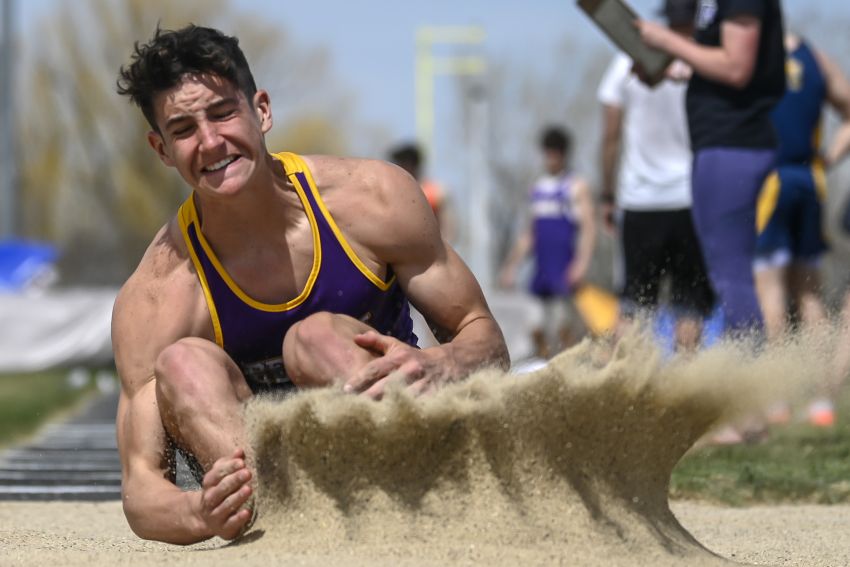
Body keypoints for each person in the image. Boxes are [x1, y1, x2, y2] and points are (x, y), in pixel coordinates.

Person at [112, 24, 509, 545]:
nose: (209, 142)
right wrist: (197, 515)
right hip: (279, 485)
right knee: (182, 363)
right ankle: (285, 529)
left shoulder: (372, 199)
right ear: (161, 149)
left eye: (222, 113)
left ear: (262, 111)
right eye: (183, 129)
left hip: (403, 454)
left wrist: (440, 363)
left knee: (314, 339)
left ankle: (406, 504)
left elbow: (487, 341)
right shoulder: (157, 293)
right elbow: (141, 487)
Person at [637, 0, 786, 336]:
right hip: (720, 146)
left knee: (729, 272)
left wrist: (666, 41)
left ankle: (756, 378)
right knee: (726, 271)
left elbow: (736, 67)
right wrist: (671, 67)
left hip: (733, 145)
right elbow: (720, 63)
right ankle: (753, 370)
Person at [599, 0, 715, 352]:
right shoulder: (706, 62)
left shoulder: (626, 62)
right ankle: (686, 395)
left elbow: (610, 137)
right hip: (689, 199)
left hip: (640, 201)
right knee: (690, 307)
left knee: (633, 306)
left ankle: (626, 392)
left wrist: (607, 193)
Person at [753, 32, 850, 425]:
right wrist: (829, 158)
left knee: (771, 293)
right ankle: (822, 402)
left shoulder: (751, 53)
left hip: (771, 183)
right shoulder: (817, 57)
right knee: (810, 296)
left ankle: (779, 400)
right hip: (811, 181)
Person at [498, 126, 596, 359]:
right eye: (548, 152)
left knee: (564, 327)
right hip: (540, 270)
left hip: (564, 268)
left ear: (564, 154)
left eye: (556, 152)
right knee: (536, 327)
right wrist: (511, 266)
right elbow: (529, 234)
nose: (551, 158)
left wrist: (581, 264)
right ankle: (544, 367)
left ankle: (573, 370)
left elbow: (589, 228)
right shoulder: (538, 189)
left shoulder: (575, 187)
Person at [388, 142, 456, 242]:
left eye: (403, 163)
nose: (400, 167)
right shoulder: (391, 193)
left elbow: (449, 228)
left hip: (430, 250)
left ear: (413, 165)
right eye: (398, 163)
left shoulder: (435, 192)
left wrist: (442, 249)